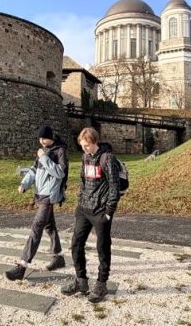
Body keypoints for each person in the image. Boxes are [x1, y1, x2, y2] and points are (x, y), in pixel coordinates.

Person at [61, 127, 120, 303]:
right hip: (84, 210)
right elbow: (82, 180)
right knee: (76, 244)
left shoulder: (107, 158)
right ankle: (81, 281)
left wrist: (109, 213)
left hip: (101, 212)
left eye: (87, 145)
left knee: (103, 248)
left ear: (95, 142)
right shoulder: (85, 157)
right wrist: (80, 202)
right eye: (82, 145)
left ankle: (101, 284)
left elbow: (114, 188)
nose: (84, 148)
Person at [5, 125, 68, 280]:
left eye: (44, 138)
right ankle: (58, 257)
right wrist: (24, 184)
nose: (41, 141)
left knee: (37, 227)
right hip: (40, 194)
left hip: (49, 195)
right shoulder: (42, 152)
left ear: (51, 137)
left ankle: (22, 266)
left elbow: (60, 173)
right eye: (39, 138)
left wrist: (44, 158)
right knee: (49, 225)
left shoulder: (60, 151)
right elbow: (33, 170)